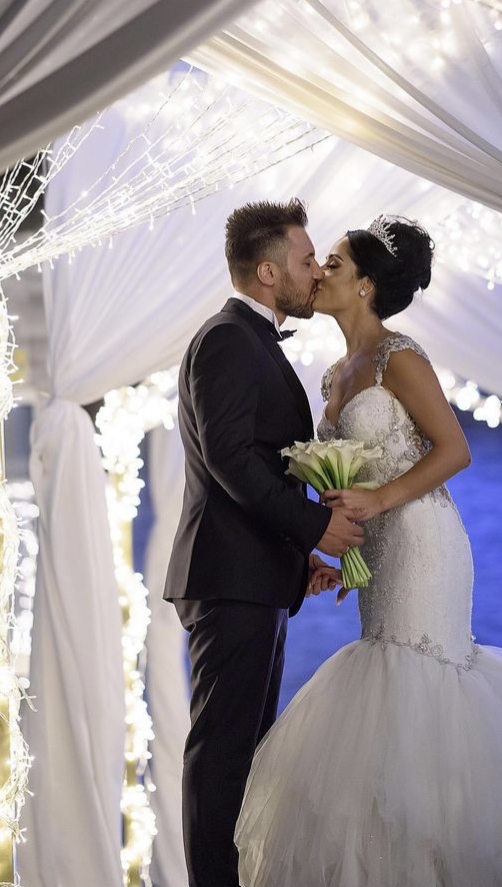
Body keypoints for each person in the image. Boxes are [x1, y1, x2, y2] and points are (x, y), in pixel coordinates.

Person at [234, 215, 502, 887]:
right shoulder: (333, 376)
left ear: (367, 285)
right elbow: (350, 480)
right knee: (382, 689)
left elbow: (454, 449)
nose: (319, 272)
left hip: (423, 542)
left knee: (422, 679)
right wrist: (347, 547)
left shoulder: (398, 356)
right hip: (379, 550)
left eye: (334, 263)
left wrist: (379, 500)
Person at [163, 199, 363, 887]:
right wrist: (313, 525)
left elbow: (252, 464)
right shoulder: (228, 338)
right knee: (223, 757)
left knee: (243, 756)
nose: (316, 273)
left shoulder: (248, 339)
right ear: (269, 272)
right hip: (229, 580)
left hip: (251, 573)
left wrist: (296, 553)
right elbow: (229, 459)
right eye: (306, 261)